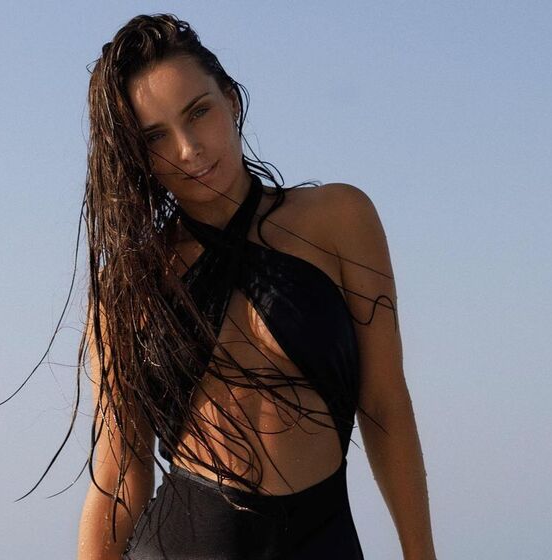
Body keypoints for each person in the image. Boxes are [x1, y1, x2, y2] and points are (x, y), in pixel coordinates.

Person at [75, 13, 437, 560]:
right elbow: (119, 474)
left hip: (324, 540)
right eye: (156, 137)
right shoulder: (131, 286)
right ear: (137, 156)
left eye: (199, 113)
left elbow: (385, 404)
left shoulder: (339, 219)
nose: (189, 149)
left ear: (231, 101)